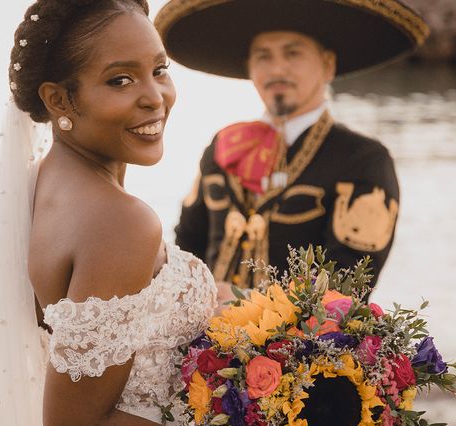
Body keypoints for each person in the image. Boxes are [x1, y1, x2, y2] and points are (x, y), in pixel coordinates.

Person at [0, 1, 220, 426]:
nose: (155, 97)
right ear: (60, 100)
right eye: (120, 80)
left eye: (160, 70)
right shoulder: (119, 222)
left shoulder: (42, 184)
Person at [155, 0, 429, 289]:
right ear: (249, 67)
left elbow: (349, 286)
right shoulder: (223, 145)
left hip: (307, 335)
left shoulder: (363, 159)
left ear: (328, 65)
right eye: (263, 56)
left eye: (293, 53)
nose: (277, 69)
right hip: (207, 330)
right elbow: (187, 246)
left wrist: (245, 303)